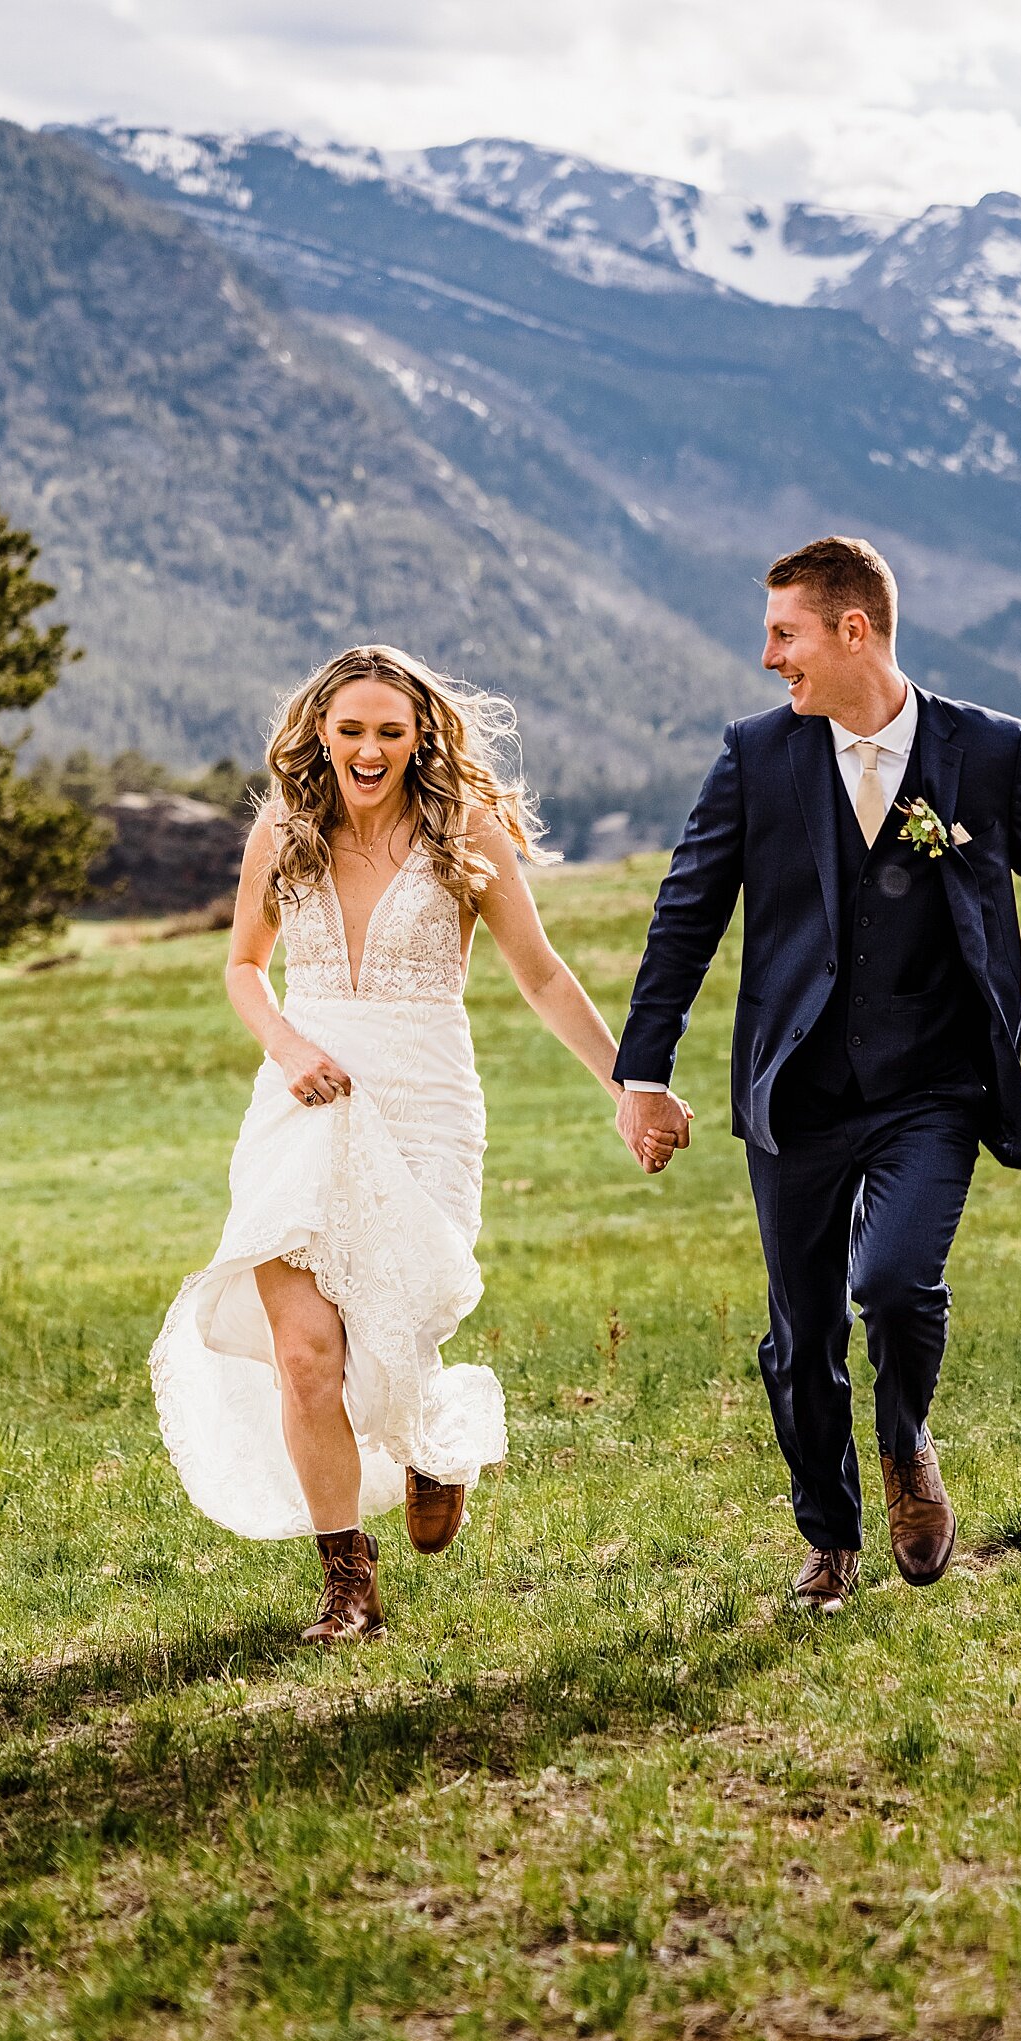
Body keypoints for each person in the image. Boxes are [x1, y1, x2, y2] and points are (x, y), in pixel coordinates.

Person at [613, 536, 1021, 1613]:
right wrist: (643, 1069)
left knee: (894, 1283)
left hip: (933, 1085)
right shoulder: (757, 754)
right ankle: (829, 1537)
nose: (769, 659)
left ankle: (906, 1447)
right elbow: (686, 912)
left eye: (784, 633)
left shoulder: (987, 750)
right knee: (801, 1337)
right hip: (794, 1088)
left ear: (855, 630)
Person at [151, 644, 635, 1646]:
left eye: (390, 730)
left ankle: (435, 1440)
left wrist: (630, 1083)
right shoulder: (282, 831)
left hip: (426, 1104)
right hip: (304, 1101)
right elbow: (244, 967)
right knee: (305, 1349)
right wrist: (287, 1044)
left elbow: (541, 976)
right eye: (351, 729)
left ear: (420, 738)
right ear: (319, 731)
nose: (369, 749)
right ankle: (347, 1582)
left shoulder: (467, 833)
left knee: (393, 1337)